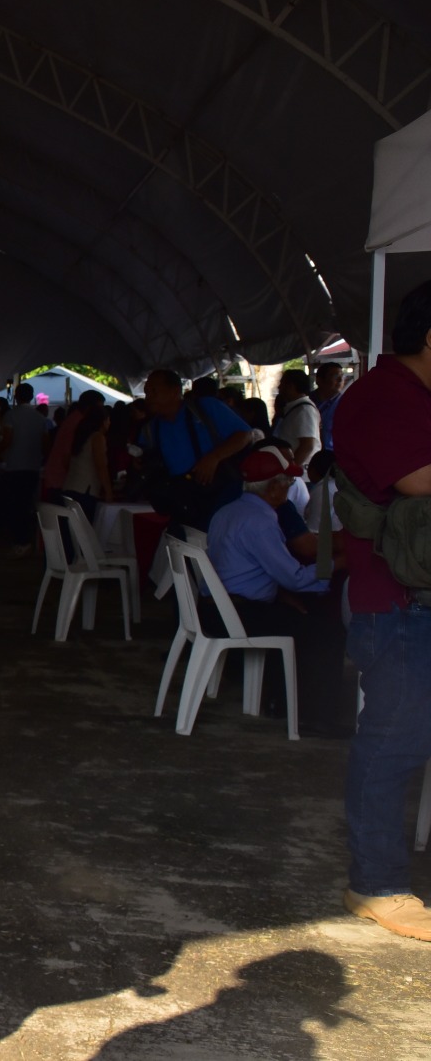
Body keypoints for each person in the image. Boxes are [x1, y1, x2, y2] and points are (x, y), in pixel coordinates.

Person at [334, 279, 431, 942]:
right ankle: (377, 881)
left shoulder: (409, 393)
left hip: (410, 602)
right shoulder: (385, 397)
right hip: (395, 604)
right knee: (393, 740)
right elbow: (419, 480)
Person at [204, 449, 350, 736]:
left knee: (298, 616)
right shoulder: (261, 521)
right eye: (286, 483)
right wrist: (341, 563)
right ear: (272, 488)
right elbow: (294, 577)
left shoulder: (228, 510)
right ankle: (316, 716)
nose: (290, 488)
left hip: (214, 606)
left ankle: (279, 701)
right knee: (326, 630)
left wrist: (283, 593)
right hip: (239, 612)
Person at [139, 369, 252, 528]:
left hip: (220, 493)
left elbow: (245, 435)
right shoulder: (150, 430)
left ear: (175, 391)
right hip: (182, 501)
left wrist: (214, 457)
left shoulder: (205, 408)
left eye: (153, 391)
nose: (148, 397)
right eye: (146, 392)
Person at [0, 382, 46, 556]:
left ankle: (20, 540)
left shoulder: (11, 416)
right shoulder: (40, 418)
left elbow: (8, 439)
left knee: (16, 505)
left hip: (15, 466)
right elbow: (45, 443)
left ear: (16, 396)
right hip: (33, 466)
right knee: (28, 504)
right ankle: (28, 540)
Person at [62, 399, 114, 523]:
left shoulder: (81, 436)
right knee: (83, 530)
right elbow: (100, 465)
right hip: (86, 490)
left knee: (72, 530)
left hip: (70, 486)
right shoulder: (97, 437)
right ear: (103, 421)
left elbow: (67, 460)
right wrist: (108, 491)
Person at [273, 369, 322, 468]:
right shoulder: (296, 408)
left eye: (282, 384)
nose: (279, 388)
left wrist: (291, 470)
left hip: (301, 473)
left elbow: (307, 446)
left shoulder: (304, 410)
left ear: (291, 386)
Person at [314, 361, 345, 451]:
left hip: (333, 456)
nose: (340, 380)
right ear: (319, 380)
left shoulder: (345, 404)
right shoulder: (307, 401)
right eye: (335, 376)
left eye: (342, 376)